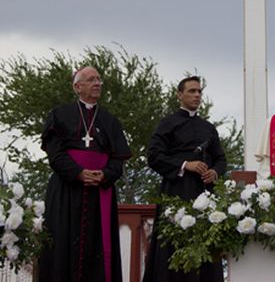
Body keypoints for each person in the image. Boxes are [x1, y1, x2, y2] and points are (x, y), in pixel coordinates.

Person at [38, 66, 132, 282]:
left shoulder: (110, 121)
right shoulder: (59, 115)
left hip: (101, 191)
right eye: (91, 79)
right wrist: (78, 172)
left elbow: (118, 159)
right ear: (77, 86)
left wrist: (105, 175)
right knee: (62, 245)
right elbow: (55, 153)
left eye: (99, 79)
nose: (97, 83)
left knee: (98, 248)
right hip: (66, 190)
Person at [143, 76, 226, 282]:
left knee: (206, 247)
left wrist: (214, 172)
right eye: (191, 91)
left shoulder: (208, 127)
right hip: (176, 191)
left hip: (204, 194)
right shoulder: (167, 123)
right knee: (173, 247)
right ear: (179, 95)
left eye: (199, 91)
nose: (197, 95)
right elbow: (153, 156)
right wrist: (185, 165)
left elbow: (221, 158)